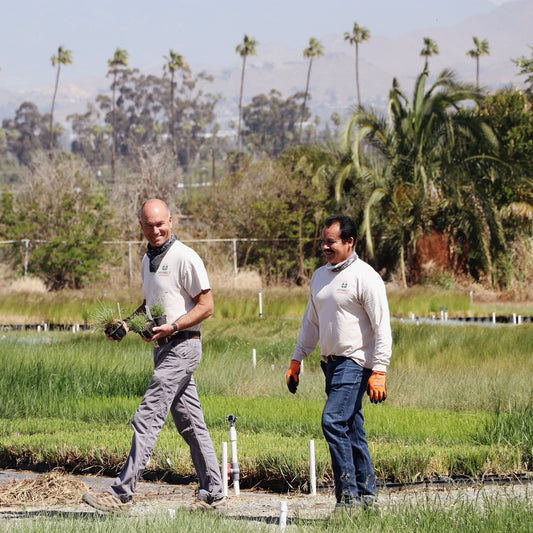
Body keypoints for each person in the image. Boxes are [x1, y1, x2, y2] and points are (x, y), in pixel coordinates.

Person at [83, 198, 224, 512]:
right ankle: (214, 491)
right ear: (141, 226)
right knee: (190, 423)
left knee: (147, 416)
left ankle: (121, 494)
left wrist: (172, 326)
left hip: (184, 346)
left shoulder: (185, 257)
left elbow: (207, 307)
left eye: (161, 224)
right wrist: (126, 325)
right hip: (162, 350)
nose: (155, 230)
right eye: (149, 225)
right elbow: (147, 308)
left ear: (171, 221)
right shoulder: (148, 259)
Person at [285, 214, 392, 510]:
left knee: (332, 420)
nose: (325, 247)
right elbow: (311, 323)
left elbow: (382, 326)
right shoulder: (320, 276)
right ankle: (367, 496)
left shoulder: (365, 276)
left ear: (349, 242)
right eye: (323, 241)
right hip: (330, 365)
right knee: (352, 427)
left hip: (356, 363)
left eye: (331, 242)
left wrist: (379, 369)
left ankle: (348, 499)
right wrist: (297, 359)